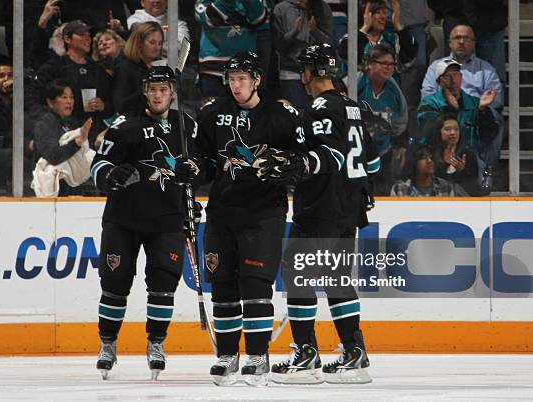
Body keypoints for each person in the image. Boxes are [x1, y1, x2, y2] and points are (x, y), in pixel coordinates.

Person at [254, 44, 378, 384]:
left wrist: (302, 162)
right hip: (348, 207)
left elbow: (331, 154)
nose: (302, 75)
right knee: (338, 280)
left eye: (304, 68)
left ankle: (306, 354)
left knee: (298, 276)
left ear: (312, 72)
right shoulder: (352, 106)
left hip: (321, 205)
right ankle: (355, 352)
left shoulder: (321, 106)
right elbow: (373, 161)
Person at [194, 52, 304, 386]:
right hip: (222, 213)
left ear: (256, 80)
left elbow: (300, 160)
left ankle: (257, 354)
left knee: (256, 284)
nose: (236, 85)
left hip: (263, 214)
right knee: (223, 286)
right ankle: (228, 355)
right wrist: (191, 169)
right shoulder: (212, 113)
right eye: (231, 79)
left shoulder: (281, 115)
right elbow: (203, 160)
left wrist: (284, 167)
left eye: (242, 78)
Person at [90, 66, 199, 380]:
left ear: (172, 92)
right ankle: (108, 343)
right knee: (114, 283)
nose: (157, 94)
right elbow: (100, 162)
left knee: (163, 285)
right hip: (123, 219)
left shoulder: (185, 125)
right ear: (144, 91)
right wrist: (111, 174)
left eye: (163, 89)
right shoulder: (125, 125)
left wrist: (193, 178)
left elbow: (202, 165)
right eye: (152, 89)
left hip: (167, 219)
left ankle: (156, 343)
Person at [421, 24, 503, 185]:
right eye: (457, 38)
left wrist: (472, 107)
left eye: (466, 38)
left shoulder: (486, 70)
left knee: (495, 121)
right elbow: (427, 95)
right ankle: (438, 171)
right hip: (444, 117)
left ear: (473, 43)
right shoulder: (435, 67)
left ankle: (486, 173)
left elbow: (496, 100)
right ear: (449, 42)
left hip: (474, 117)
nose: (461, 42)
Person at [29, 19, 113, 142]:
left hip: (92, 128)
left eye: (89, 36)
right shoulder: (54, 66)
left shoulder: (97, 70)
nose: (87, 38)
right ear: (68, 39)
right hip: (63, 128)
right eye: (81, 35)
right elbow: (34, 96)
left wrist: (103, 105)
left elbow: (111, 101)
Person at [418, 58, 497, 171]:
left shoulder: (475, 102)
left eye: (456, 75)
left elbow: (489, 134)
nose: (453, 80)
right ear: (440, 81)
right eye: (447, 76)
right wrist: (452, 109)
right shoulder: (429, 103)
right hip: (437, 160)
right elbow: (430, 134)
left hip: (469, 159)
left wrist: (482, 110)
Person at [353, 43, 407, 195]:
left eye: (392, 64)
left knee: (382, 193)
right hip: (356, 153)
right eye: (384, 63)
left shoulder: (393, 88)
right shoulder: (355, 82)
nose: (389, 67)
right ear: (369, 65)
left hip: (383, 152)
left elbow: (401, 119)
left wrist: (399, 141)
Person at [32, 79, 93, 196]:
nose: (69, 101)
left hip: (75, 185)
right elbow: (53, 156)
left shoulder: (73, 123)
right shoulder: (44, 124)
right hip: (55, 188)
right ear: (50, 102)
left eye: (71, 97)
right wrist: (77, 142)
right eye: (64, 97)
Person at [194, 0, 267, 98]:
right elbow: (209, 18)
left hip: (244, 68)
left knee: (246, 112)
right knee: (212, 111)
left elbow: (259, 19)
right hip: (213, 68)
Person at [271, 0, 332, 110]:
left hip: (319, 75)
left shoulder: (322, 7)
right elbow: (278, 45)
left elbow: (330, 44)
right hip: (291, 74)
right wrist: (295, 32)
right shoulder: (280, 9)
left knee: (321, 114)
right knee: (296, 116)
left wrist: (314, 31)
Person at [337, 0, 417, 77]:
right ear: (365, 16)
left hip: (387, 88)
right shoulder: (352, 38)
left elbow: (409, 57)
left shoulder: (392, 40)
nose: (383, 17)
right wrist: (365, 28)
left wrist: (398, 24)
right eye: (378, 12)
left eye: (384, 13)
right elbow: (344, 54)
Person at [112, 21, 163, 114]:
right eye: (152, 42)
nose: (157, 48)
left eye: (160, 43)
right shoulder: (124, 67)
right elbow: (120, 105)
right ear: (139, 43)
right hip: (133, 122)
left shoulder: (157, 67)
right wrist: (146, 90)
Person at [429, 113, 480, 196]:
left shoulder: (468, 155)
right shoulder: (431, 153)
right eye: (448, 129)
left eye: (456, 129)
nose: (453, 133)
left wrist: (462, 171)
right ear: (439, 131)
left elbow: (474, 188)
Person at [390, 143, 467, 196]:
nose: (429, 161)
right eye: (423, 157)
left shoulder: (446, 187)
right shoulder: (399, 189)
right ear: (413, 161)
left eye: (430, 157)